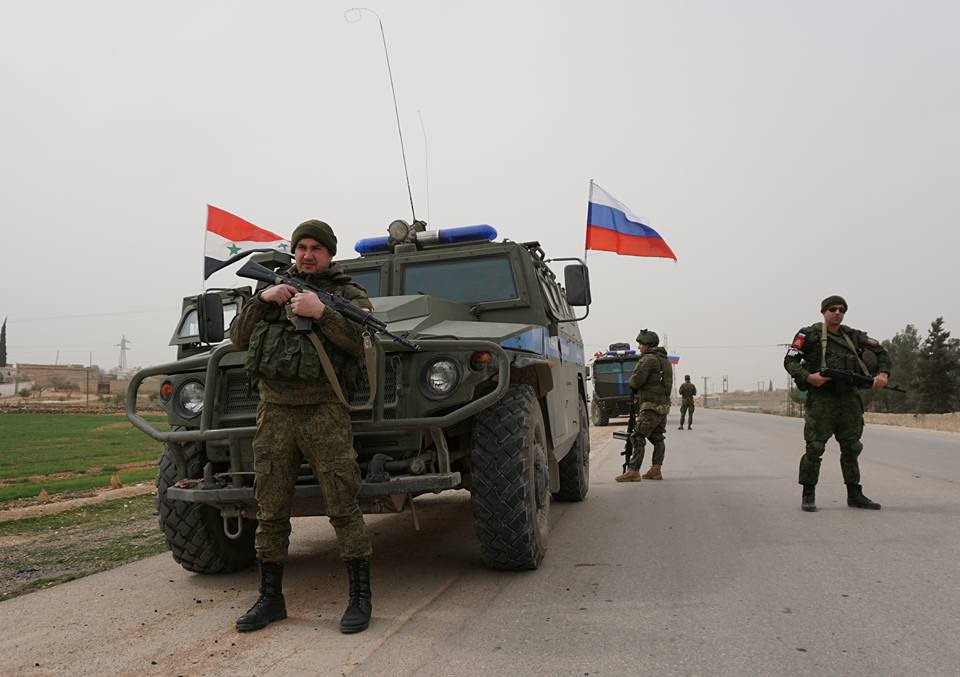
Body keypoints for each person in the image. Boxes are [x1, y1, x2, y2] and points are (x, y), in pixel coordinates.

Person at [229, 219, 374, 633]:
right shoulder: (275, 289)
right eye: (302, 247)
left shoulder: (349, 295)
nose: (307, 254)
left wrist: (322, 313)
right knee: (270, 508)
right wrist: (264, 299)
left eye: (316, 248)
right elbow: (237, 337)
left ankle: (359, 599)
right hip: (273, 412)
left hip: (323, 411)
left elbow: (360, 342)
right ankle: (270, 599)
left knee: (342, 505)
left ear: (330, 253)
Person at [783, 295, 891, 512]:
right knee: (815, 447)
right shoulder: (809, 334)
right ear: (824, 312)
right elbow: (790, 360)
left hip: (848, 399)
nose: (837, 313)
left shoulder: (853, 336)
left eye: (842, 309)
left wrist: (883, 374)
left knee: (852, 448)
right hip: (822, 399)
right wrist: (809, 377)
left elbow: (880, 352)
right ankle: (808, 493)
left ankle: (855, 494)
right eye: (832, 309)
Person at [615, 329, 673, 482]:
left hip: (649, 406)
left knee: (638, 436)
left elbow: (636, 381)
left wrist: (632, 380)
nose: (639, 347)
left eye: (641, 344)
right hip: (663, 406)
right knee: (657, 438)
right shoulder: (665, 361)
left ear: (648, 345)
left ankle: (633, 471)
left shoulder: (648, 360)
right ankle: (656, 470)